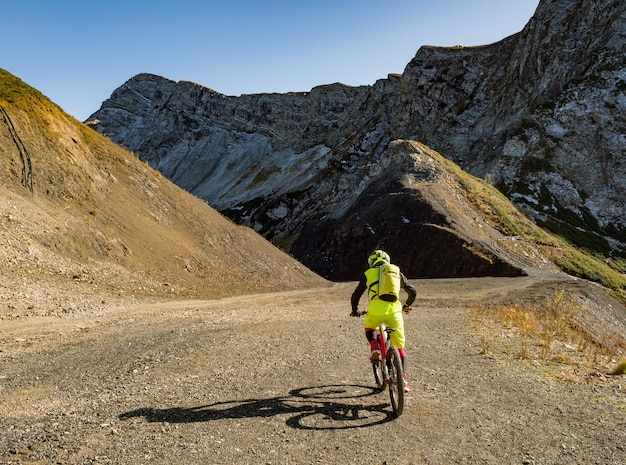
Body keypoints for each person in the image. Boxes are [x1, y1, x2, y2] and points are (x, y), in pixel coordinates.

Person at [350, 249, 416, 392]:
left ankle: (375, 347)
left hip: (376, 309)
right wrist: (406, 306)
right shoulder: (396, 272)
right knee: (400, 347)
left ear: (371, 263)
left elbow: (356, 295)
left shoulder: (369, 273)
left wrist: (355, 310)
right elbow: (412, 291)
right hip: (395, 311)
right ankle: (403, 379)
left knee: (370, 327)